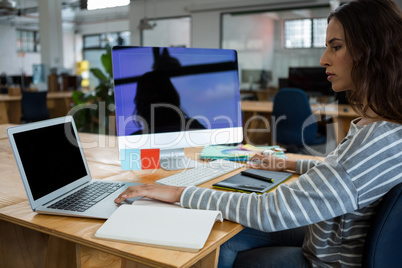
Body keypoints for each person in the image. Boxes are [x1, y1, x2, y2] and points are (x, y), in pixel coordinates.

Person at [115, 0, 402, 266]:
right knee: (224, 232)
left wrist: (178, 193)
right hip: (328, 235)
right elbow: (342, 174)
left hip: (327, 260)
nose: (323, 59)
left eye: (335, 47)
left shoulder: (374, 142)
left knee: (216, 243)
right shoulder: (383, 127)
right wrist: (289, 162)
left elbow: (270, 210)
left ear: (371, 50)